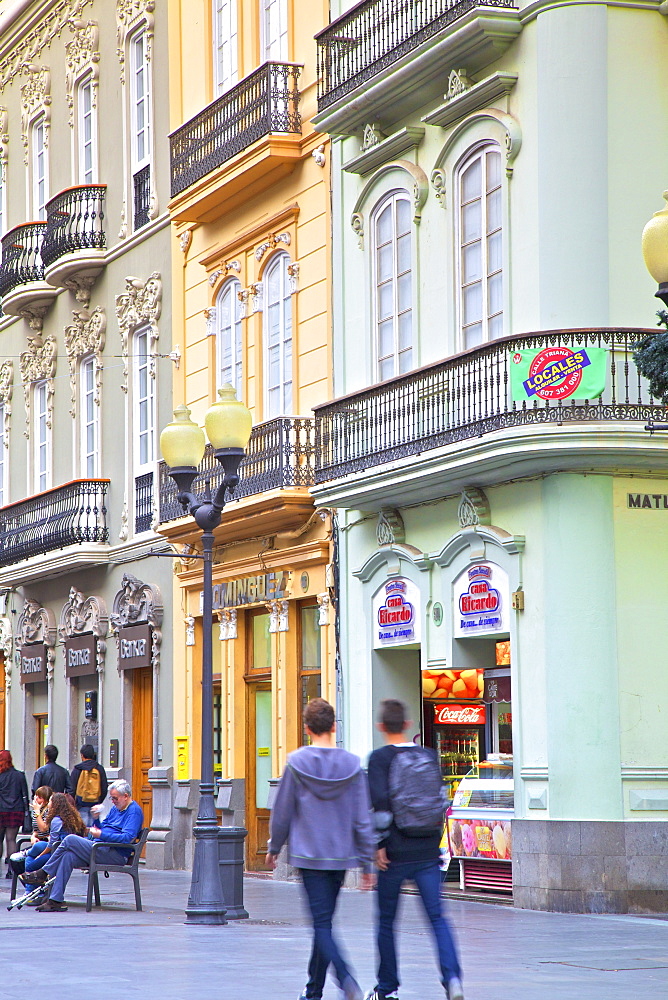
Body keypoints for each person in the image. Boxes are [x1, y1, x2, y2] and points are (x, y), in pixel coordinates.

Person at [265, 697, 376, 1000]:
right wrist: (367, 863)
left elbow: (283, 810)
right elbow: (362, 816)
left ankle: (346, 979)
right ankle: (313, 991)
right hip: (339, 856)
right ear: (334, 726)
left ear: (306, 729)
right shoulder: (352, 765)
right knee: (323, 923)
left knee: (322, 924)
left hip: (309, 855)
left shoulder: (297, 763)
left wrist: (275, 846)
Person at [365, 700, 464, 1000]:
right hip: (426, 852)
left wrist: (380, 845)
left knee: (386, 922)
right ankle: (453, 978)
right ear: (408, 725)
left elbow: (380, 804)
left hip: (394, 854)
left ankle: (388, 989)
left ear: (381, 726)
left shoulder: (380, 758)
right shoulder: (428, 756)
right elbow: (438, 799)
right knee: (438, 918)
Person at [22, 778, 143, 912]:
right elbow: (104, 828)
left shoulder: (134, 811)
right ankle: (55, 900)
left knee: (70, 839)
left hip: (115, 853)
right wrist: (97, 820)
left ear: (126, 796)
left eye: (115, 798)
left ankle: (43, 872)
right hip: (100, 847)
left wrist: (100, 835)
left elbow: (127, 838)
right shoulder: (116, 809)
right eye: (112, 798)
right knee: (67, 856)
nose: (113, 801)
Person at [0, 750, 29, 879]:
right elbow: (25, 794)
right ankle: (12, 869)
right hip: (16, 810)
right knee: (11, 839)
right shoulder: (19, 775)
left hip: (1, 809)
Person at [70, 744, 107, 826]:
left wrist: (74, 804)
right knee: (94, 829)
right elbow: (104, 788)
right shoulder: (99, 768)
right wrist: (99, 801)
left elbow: (72, 788)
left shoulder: (78, 769)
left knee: (82, 829)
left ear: (82, 755)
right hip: (95, 805)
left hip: (80, 805)